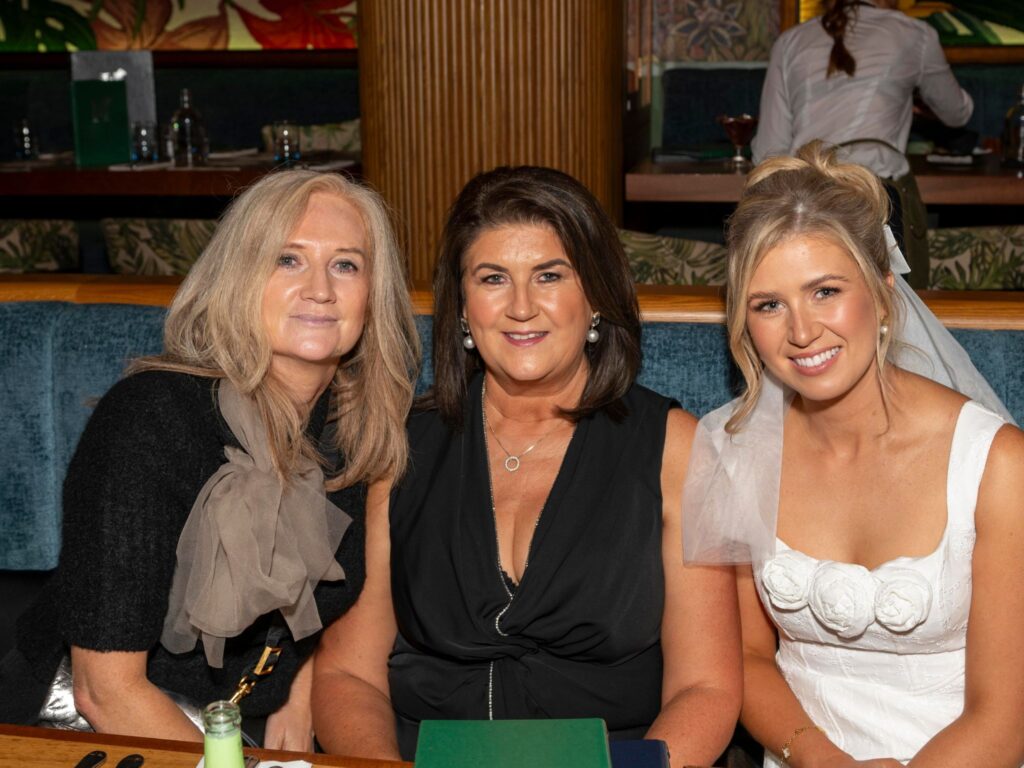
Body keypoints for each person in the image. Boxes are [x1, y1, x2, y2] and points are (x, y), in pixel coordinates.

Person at [313, 165, 742, 766]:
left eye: (549, 275)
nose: (520, 307)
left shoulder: (677, 449)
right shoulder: (401, 444)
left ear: (594, 293)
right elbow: (346, 675)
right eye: (493, 278)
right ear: (463, 308)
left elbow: (707, 689)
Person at [0, 170, 419, 750]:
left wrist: (300, 693)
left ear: (374, 294)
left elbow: (330, 609)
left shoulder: (359, 434)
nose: (321, 288)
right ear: (239, 276)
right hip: (83, 726)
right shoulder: (151, 418)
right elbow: (105, 689)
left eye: (346, 264)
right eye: (287, 259)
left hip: (232, 725)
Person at [683, 142, 1024, 767]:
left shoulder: (997, 466)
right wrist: (818, 758)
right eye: (768, 304)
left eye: (826, 291)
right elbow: (749, 660)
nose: (802, 331)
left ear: (884, 292)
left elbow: (1003, 720)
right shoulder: (729, 451)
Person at [751, 0, 973, 179]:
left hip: (806, 196)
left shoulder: (789, 42)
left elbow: (768, 152)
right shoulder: (915, 35)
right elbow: (957, 114)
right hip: (874, 195)